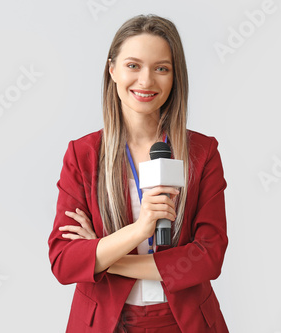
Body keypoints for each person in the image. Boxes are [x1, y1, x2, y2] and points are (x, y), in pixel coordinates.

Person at [48, 14, 229, 332]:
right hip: (106, 323)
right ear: (112, 70)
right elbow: (64, 262)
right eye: (133, 65)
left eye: (161, 68)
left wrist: (107, 259)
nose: (146, 81)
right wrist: (138, 229)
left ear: (175, 77)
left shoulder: (202, 152)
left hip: (183, 323)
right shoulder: (84, 155)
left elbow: (209, 256)